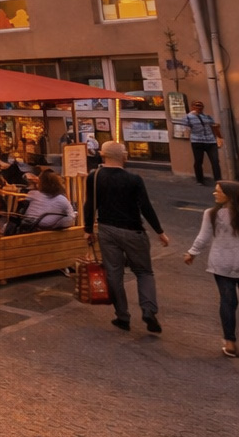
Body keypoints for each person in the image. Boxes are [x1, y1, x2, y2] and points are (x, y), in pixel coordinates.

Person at [85, 142, 170, 334]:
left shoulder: (94, 176)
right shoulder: (134, 179)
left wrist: (88, 229)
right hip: (133, 231)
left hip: (106, 229)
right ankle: (148, 310)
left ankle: (122, 316)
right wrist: (159, 231)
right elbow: (146, 207)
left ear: (102, 155)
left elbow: (90, 204)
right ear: (123, 157)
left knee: (114, 273)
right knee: (144, 272)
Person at [183, 181, 239, 357]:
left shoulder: (212, 214)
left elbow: (203, 237)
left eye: (218, 192)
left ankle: (230, 343)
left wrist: (192, 253)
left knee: (228, 301)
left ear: (229, 195)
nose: (215, 194)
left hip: (221, 263)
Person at [179, 100, 222, 185]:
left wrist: (219, 136)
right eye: (197, 105)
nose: (199, 107)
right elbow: (185, 128)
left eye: (201, 106)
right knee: (198, 161)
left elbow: (214, 126)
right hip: (197, 141)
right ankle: (200, 180)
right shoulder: (188, 117)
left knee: (215, 160)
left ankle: (218, 179)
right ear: (193, 107)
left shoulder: (207, 116)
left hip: (210, 141)